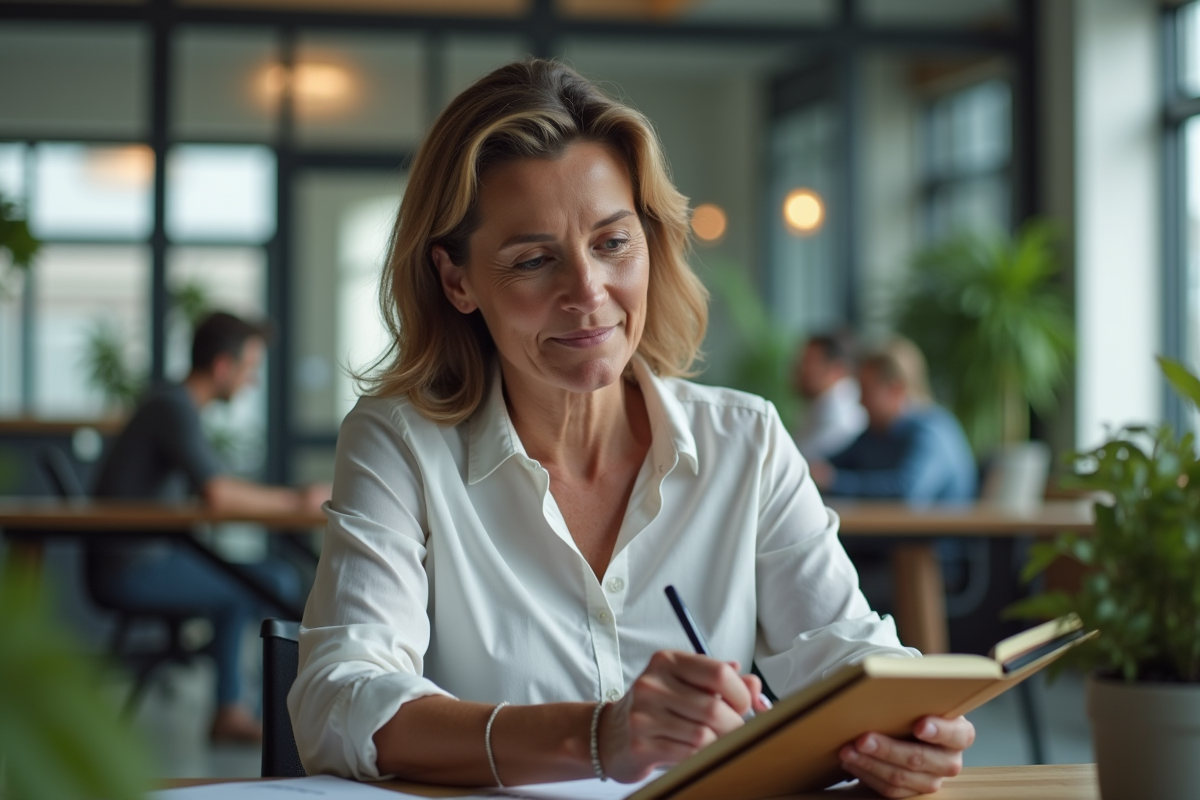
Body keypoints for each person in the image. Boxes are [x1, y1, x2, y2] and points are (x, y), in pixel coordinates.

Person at [290, 60, 975, 798]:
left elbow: (846, 651)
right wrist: (595, 737)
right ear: (457, 280)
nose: (588, 292)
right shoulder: (400, 443)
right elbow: (340, 703)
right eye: (532, 260)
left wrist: (915, 726)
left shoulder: (745, 441)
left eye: (613, 244)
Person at [90, 311, 329, 742]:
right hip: (131, 570)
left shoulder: (172, 406)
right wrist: (297, 500)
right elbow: (218, 493)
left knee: (250, 579)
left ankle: (233, 710)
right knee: (268, 579)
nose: (252, 381)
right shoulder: (172, 408)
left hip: (149, 558)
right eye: (250, 369)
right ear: (223, 366)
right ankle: (259, 718)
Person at [811, 337, 977, 504]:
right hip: (888, 529)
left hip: (938, 530)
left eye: (867, 391)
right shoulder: (876, 433)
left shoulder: (931, 432)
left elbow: (908, 491)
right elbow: (830, 465)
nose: (860, 401)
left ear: (895, 390)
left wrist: (835, 482)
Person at [792, 331, 867, 461]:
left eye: (809, 362)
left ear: (837, 369)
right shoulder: (817, 411)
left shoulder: (848, 422)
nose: (799, 369)